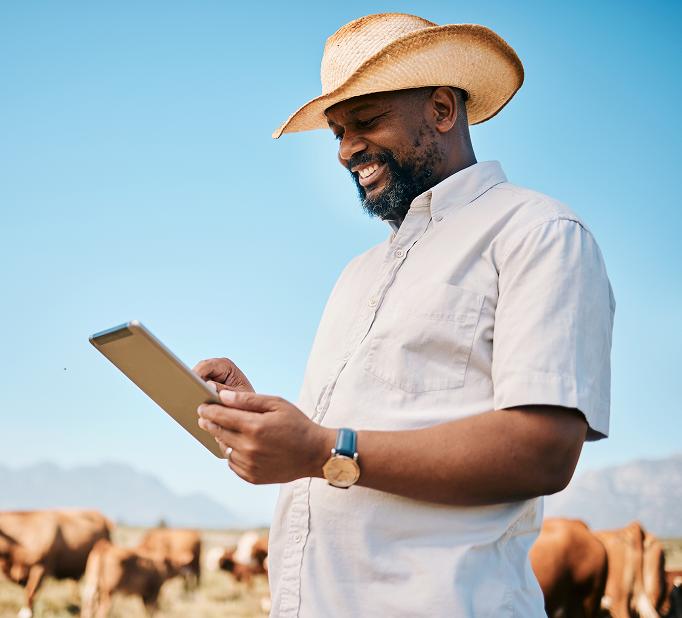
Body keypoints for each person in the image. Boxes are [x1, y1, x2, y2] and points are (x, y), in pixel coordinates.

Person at [194, 13, 615, 618]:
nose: (345, 150)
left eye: (366, 121)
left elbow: (545, 449)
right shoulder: (357, 273)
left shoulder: (539, 233)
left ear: (442, 109)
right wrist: (264, 423)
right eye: (336, 130)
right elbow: (359, 440)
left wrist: (319, 447)